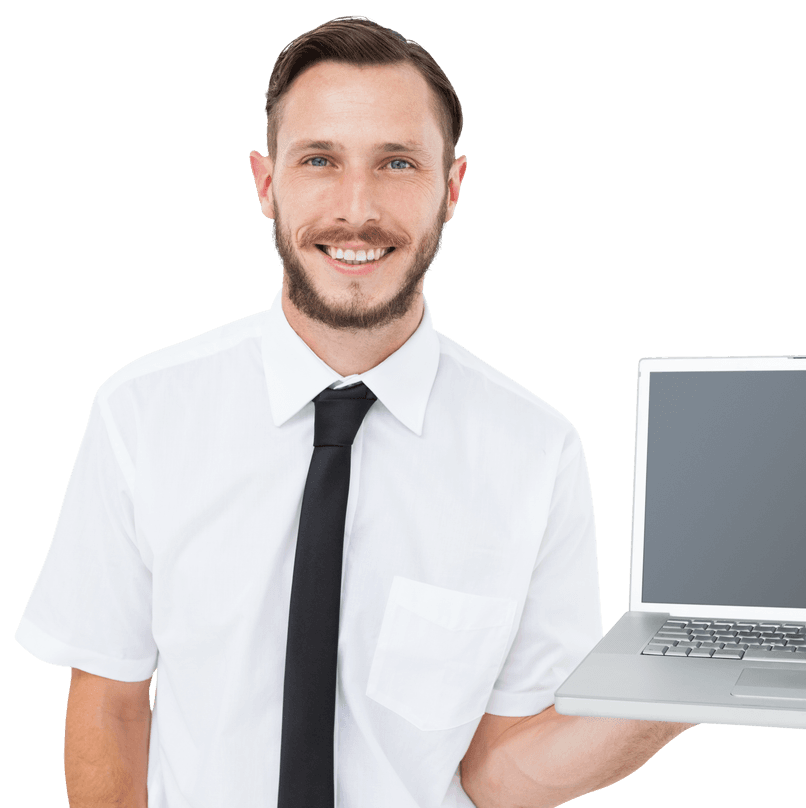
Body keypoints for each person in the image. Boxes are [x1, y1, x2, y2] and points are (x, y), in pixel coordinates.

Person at [15, 16, 692, 808]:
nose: (356, 208)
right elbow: (111, 708)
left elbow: (504, 769)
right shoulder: (141, 413)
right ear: (267, 185)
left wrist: (694, 680)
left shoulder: (535, 452)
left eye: (398, 162)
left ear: (452, 188)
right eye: (319, 160)